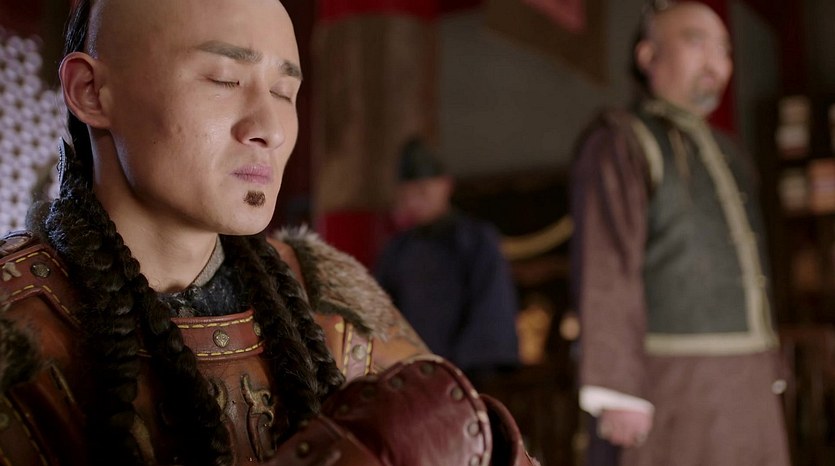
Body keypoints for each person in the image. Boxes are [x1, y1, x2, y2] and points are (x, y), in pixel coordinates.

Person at [0, 1, 538, 465]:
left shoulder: (322, 300)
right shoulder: (15, 322)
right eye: (224, 80)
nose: (271, 130)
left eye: (284, 92)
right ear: (91, 91)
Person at [570, 2, 790, 466]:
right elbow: (606, 266)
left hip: (747, 380)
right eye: (696, 42)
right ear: (648, 55)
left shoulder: (729, 152)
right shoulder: (622, 140)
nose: (715, 62)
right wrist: (617, 390)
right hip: (669, 384)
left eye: (724, 50)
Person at [375, 138, 520, 386]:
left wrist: (458, 371)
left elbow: (491, 307)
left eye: (422, 191)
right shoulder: (397, 250)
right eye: (407, 194)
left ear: (446, 185)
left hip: (466, 376)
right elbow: (381, 310)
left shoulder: (475, 240)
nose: (414, 202)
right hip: (407, 375)